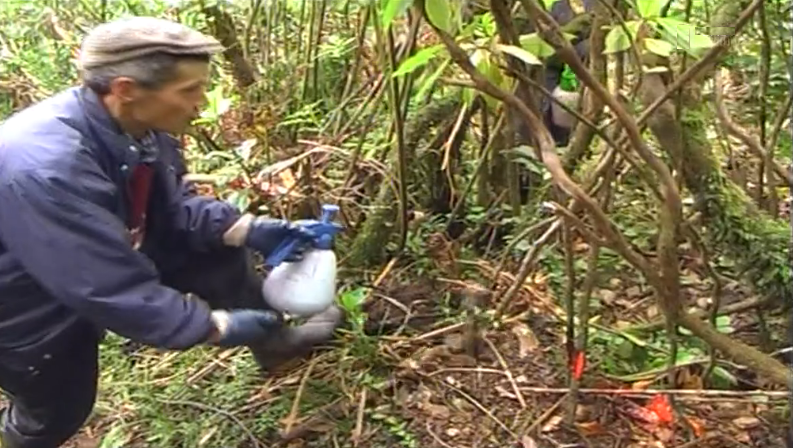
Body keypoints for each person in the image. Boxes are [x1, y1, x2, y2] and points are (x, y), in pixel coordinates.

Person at [0, 16, 344, 448]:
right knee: (57, 406)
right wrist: (207, 326)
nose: (201, 102)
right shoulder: (47, 166)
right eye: (189, 91)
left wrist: (247, 228)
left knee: (214, 250)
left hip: (89, 255)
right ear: (126, 88)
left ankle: (276, 346)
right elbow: (100, 282)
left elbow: (170, 208)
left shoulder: (139, 127)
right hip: (22, 301)